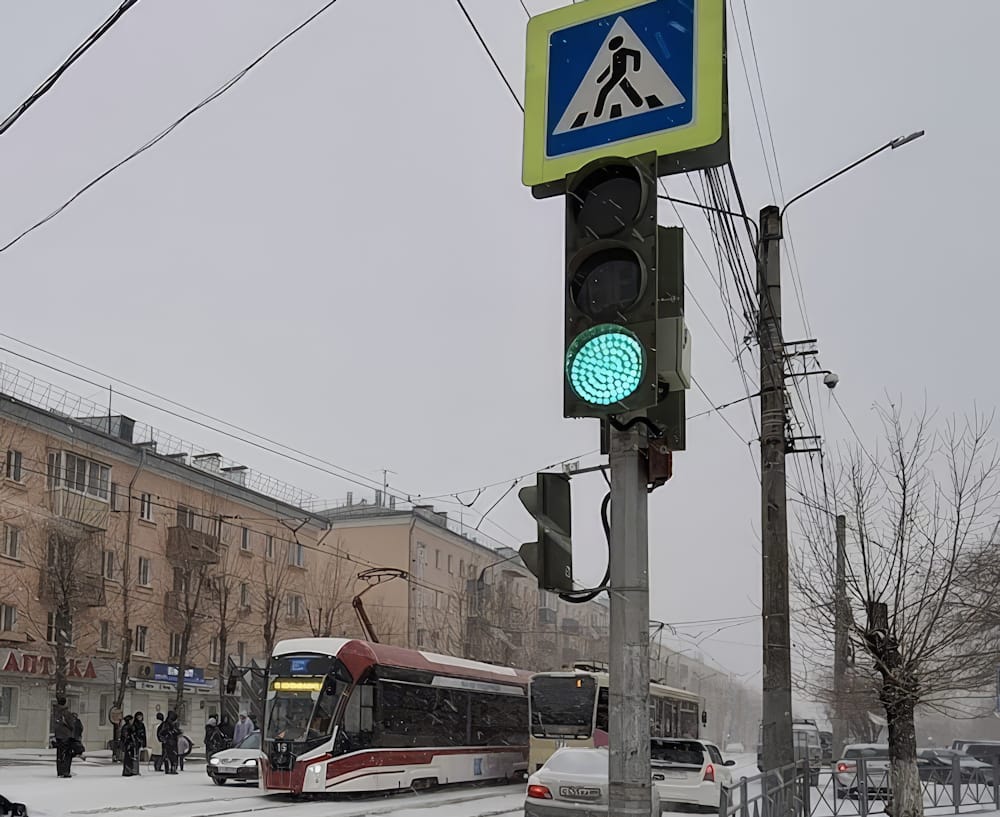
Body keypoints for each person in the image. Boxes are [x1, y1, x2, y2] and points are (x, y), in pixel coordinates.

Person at [52, 696, 74, 778]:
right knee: (67, 754)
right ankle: (65, 771)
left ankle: (60, 771)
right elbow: (71, 724)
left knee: (60, 754)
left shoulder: (55, 712)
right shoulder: (66, 713)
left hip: (58, 735)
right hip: (66, 735)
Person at [158, 711, 180, 775]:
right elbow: (161, 733)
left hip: (172, 742)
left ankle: (172, 769)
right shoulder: (166, 724)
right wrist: (165, 739)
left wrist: (177, 732)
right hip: (168, 743)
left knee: (172, 756)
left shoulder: (172, 725)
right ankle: (169, 769)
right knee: (168, 756)